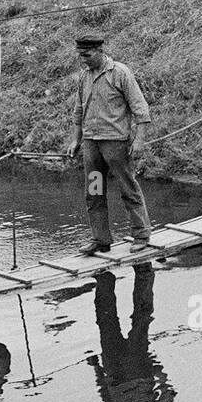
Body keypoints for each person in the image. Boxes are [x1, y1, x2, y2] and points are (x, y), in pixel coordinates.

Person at [67, 33, 152, 255]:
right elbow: (79, 110)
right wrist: (76, 138)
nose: (83, 59)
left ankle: (141, 234)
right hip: (91, 146)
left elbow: (140, 108)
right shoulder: (84, 77)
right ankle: (101, 239)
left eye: (87, 55)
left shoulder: (120, 73)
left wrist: (140, 139)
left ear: (100, 51)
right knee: (94, 191)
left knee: (127, 188)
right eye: (80, 55)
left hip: (115, 145)